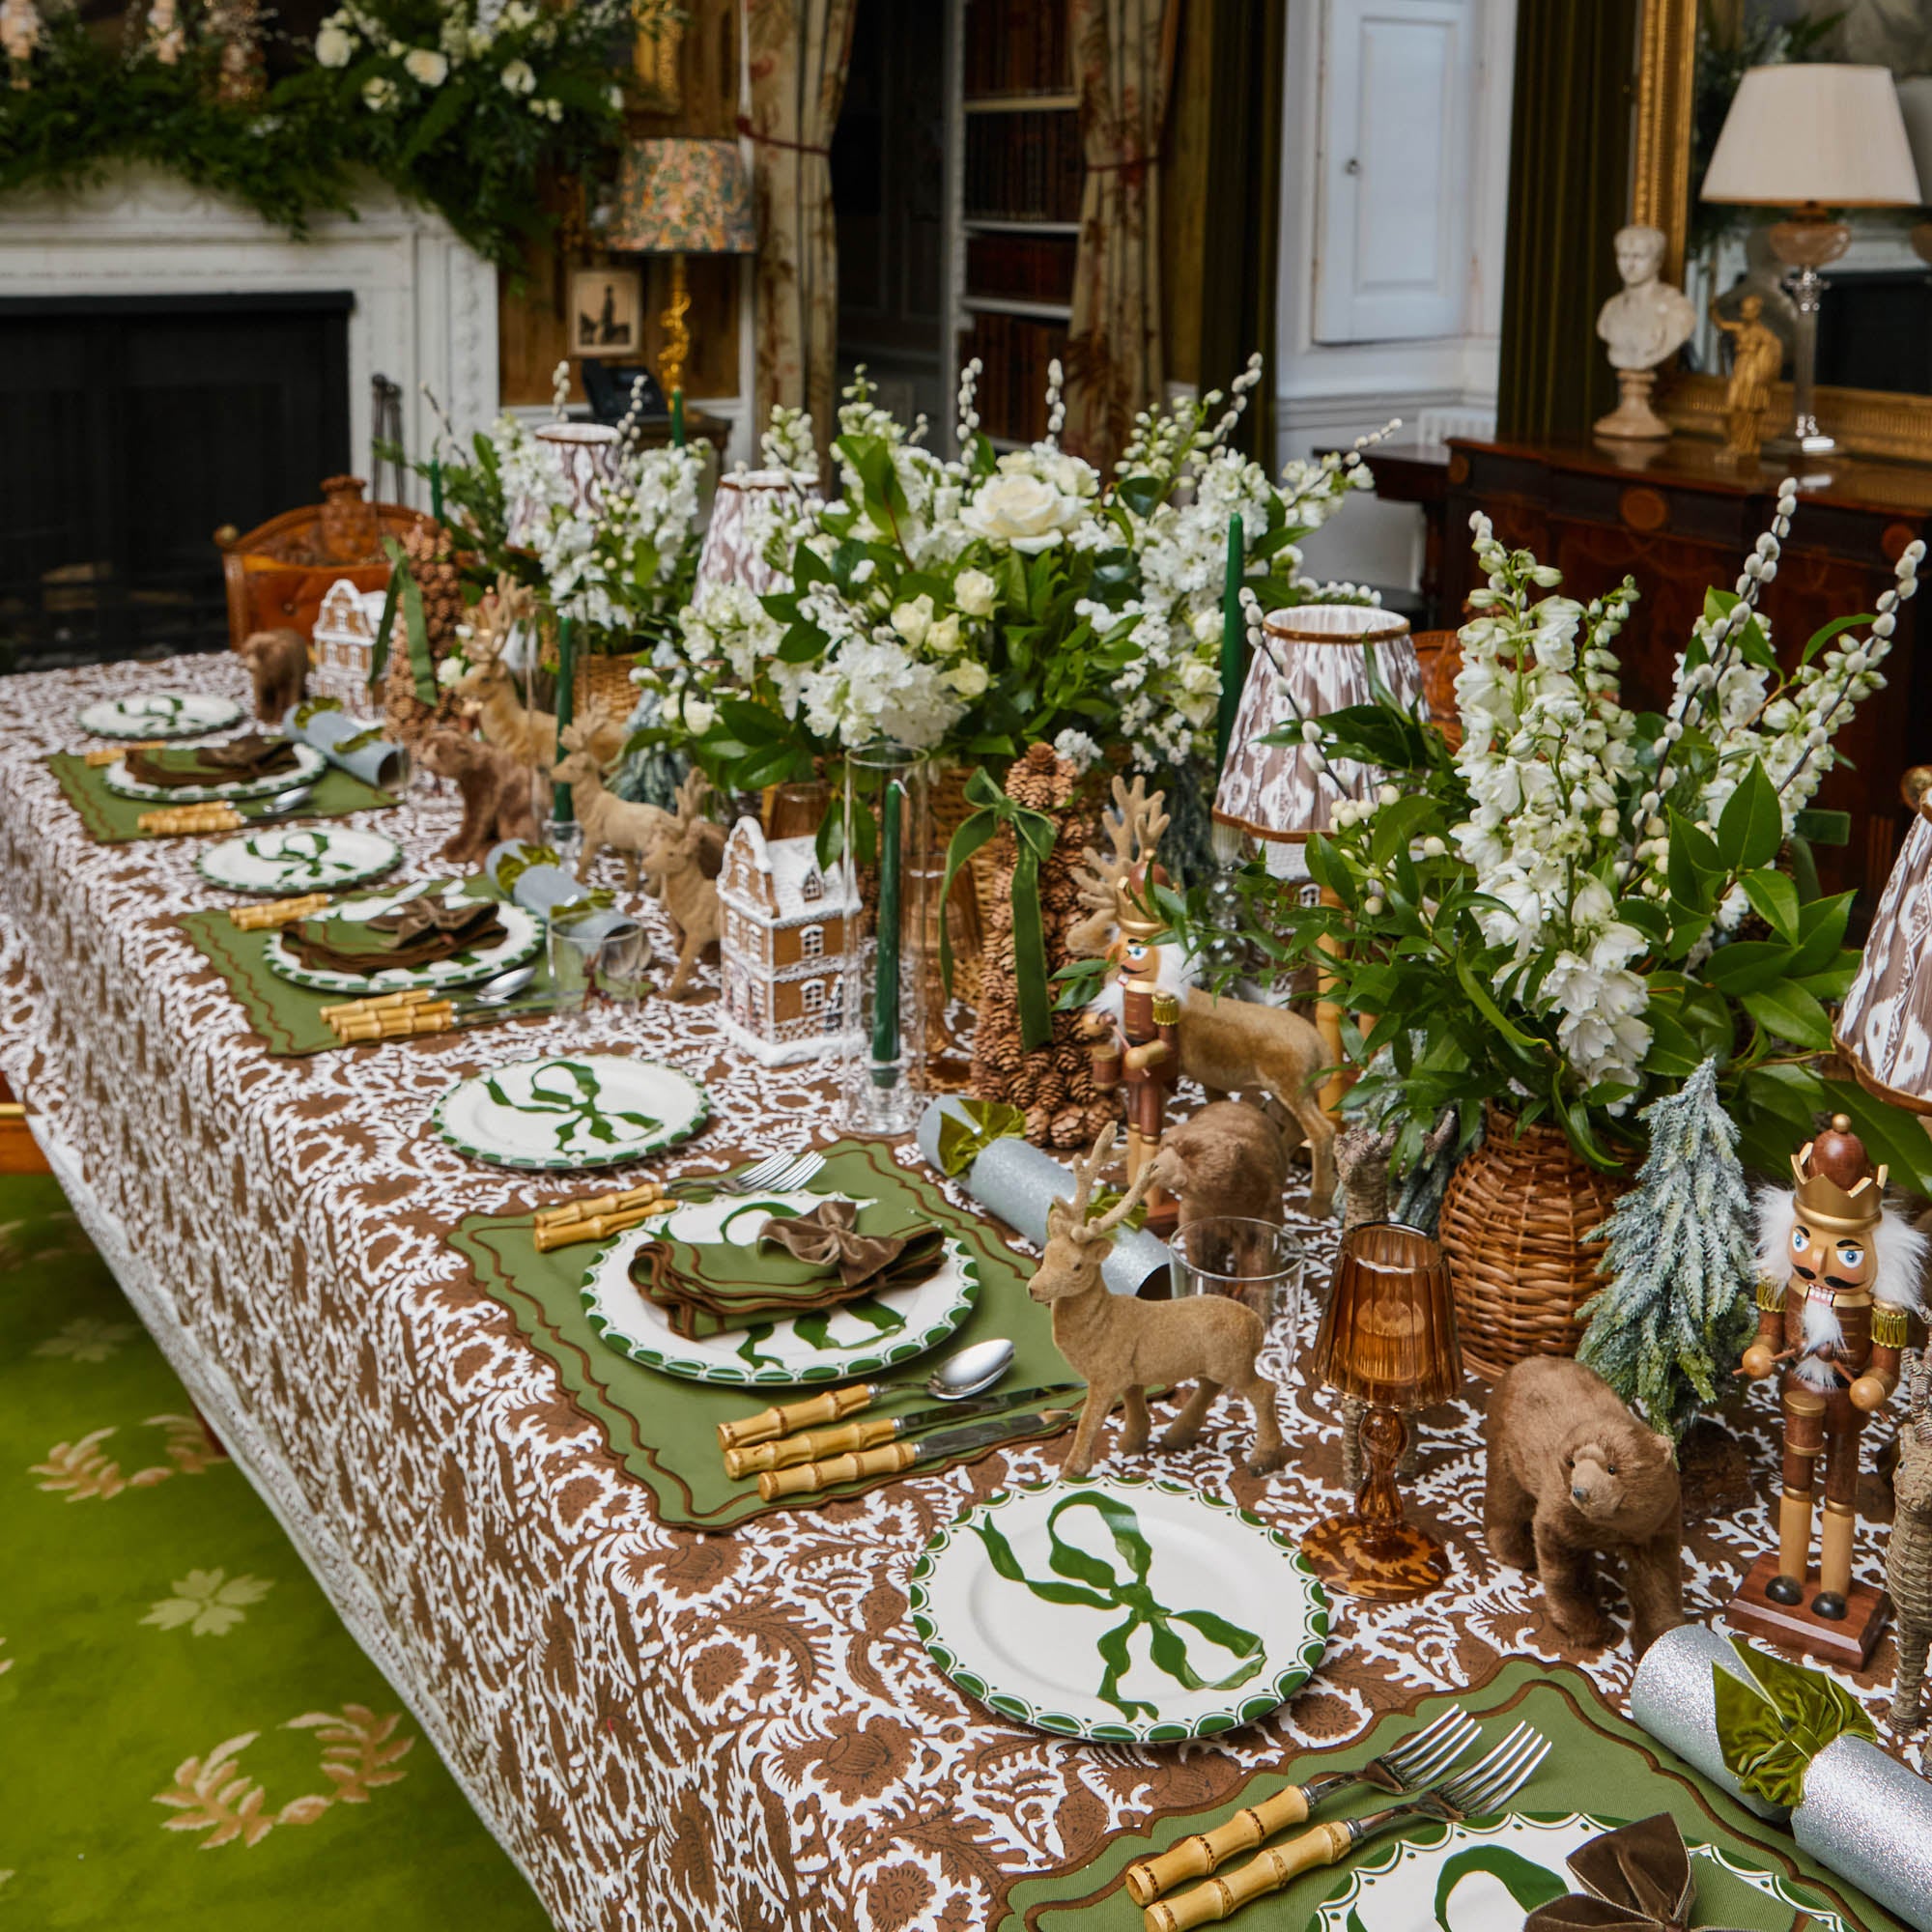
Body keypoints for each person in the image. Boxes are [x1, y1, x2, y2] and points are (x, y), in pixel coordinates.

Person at [1597, 224, 1697, 372]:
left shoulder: (1677, 308)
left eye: (1638, 257)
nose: (1629, 265)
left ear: (1658, 261)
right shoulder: (1611, 308)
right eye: (1623, 256)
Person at [1711, 292, 1784, 464]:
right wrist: (1712, 308)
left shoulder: (1764, 334)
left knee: (1747, 409)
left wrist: (1763, 373)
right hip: (1739, 368)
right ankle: (1734, 442)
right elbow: (1720, 324)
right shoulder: (1740, 328)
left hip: (1752, 371)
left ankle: (1744, 445)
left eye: (1748, 311)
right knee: (1729, 408)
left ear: (1756, 311)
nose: (1744, 315)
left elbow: (1773, 355)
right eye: (1743, 311)